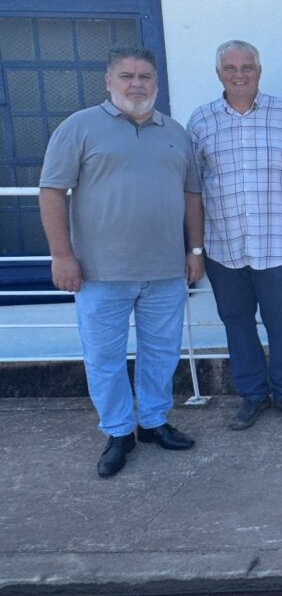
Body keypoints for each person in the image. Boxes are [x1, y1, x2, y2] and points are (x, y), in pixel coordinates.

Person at [39, 46, 203, 478]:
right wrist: (61, 255)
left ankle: (153, 422)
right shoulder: (80, 127)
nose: (137, 84)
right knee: (104, 357)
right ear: (108, 81)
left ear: (156, 83)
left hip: (165, 270)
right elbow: (52, 191)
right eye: (127, 76)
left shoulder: (176, 132)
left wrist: (195, 250)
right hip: (99, 273)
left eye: (145, 77)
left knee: (161, 353)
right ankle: (117, 432)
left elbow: (192, 195)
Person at [188, 40, 282, 431]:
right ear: (218, 73)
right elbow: (193, 184)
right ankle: (253, 396)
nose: (239, 74)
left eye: (247, 67)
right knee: (237, 322)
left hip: (275, 241)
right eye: (230, 68)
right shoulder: (201, 120)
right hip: (223, 244)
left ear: (260, 70)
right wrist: (194, 246)